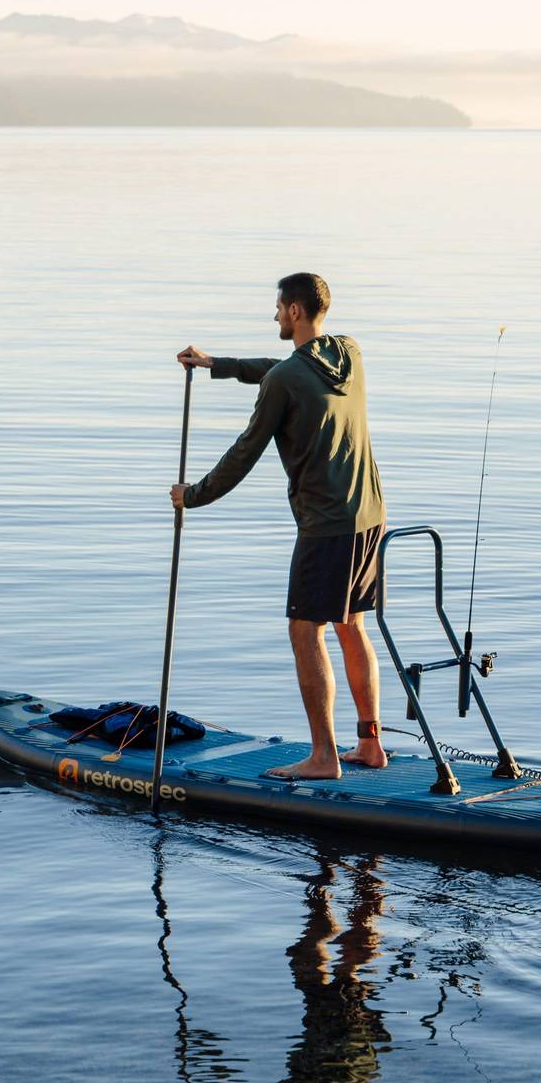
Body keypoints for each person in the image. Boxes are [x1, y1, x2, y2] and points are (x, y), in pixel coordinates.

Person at [172, 272, 387, 780]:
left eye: (277, 308)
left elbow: (245, 452)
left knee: (303, 629)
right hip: (370, 515)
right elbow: (283, 371)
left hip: (326, 526)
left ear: (293, 311)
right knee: (351, 624)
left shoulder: (286, 380)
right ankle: (370, 745)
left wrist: (193, 496)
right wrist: (216, 366)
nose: (273, 316)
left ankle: (323, 756)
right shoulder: (349, 353)